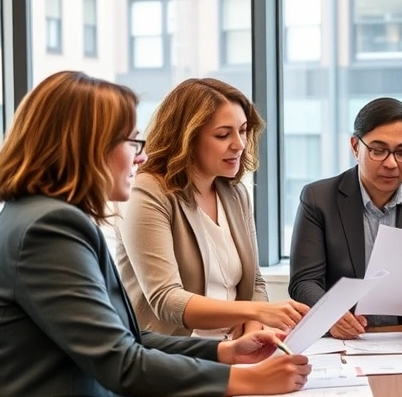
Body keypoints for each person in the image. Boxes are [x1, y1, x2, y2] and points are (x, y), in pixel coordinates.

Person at [0, 71, 310, 397]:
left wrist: (224, 353)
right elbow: (121, 363)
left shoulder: (48, 218)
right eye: (131, 141)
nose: (141, 155)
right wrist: (247, 380)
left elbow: (126, 338)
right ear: (87, 146)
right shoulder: (48, 228)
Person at [116, 78, 307, 338]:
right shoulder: (148, 191)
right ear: (186, 138)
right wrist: (253, 313)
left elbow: (254, 284)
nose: (239, 144)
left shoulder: (235, 193)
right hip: (173, 358)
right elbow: (166, 299)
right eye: (223, 134)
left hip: (232, 351)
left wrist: (252, 333)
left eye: (242, 130)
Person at [289, 97, 402, 338]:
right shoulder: (318, 198)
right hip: (345, 337)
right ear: (356, 146)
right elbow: (303, 283)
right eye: (378, 150)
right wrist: (331, 314)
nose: (390, 163)